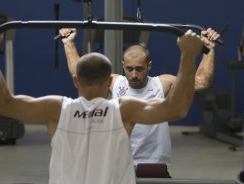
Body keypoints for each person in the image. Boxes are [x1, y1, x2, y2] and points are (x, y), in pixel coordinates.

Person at [0, 25, 203, 184]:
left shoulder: (56, 109)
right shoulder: (123, 110)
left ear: (76, 80)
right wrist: (188, 56)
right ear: (109, 82)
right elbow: (177, 108)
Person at [59, 27, 220, 178]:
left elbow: (201, 82)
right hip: (119, 163)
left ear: (149, 66)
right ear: (123, 66)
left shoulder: (162, 84)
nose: (134, 74)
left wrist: (209, 49)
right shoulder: (114, 82)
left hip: (154, 164)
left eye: (139, 69)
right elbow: (80, 74)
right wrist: (69, 43)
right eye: (129, 69)